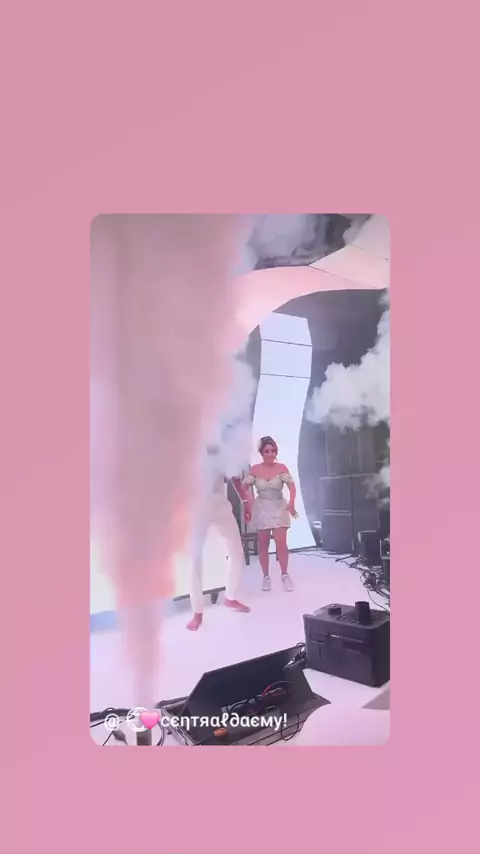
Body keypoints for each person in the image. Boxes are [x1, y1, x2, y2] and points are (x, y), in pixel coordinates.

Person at [187, 446, 251, 631]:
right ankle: (197, 611)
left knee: (237, 552)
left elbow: (235, 478)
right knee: (195, 559)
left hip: (221, 506)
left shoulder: (224, 449)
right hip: (198, 509)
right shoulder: (189, 448)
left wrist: (246, 501)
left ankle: (230, 597)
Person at [242, 436, 298, 592]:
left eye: (273, 451)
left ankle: (285, 575)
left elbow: (292, 487)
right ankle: (266, 577)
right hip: (261, 508)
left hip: (279, 507)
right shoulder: (254, 470)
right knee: (263, 545)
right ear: (261, 453)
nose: (270, 454)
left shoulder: (281, 467)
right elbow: (244, 487)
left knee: (281, 544)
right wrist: (249, 500)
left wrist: (291, 503)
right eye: (267, 451)